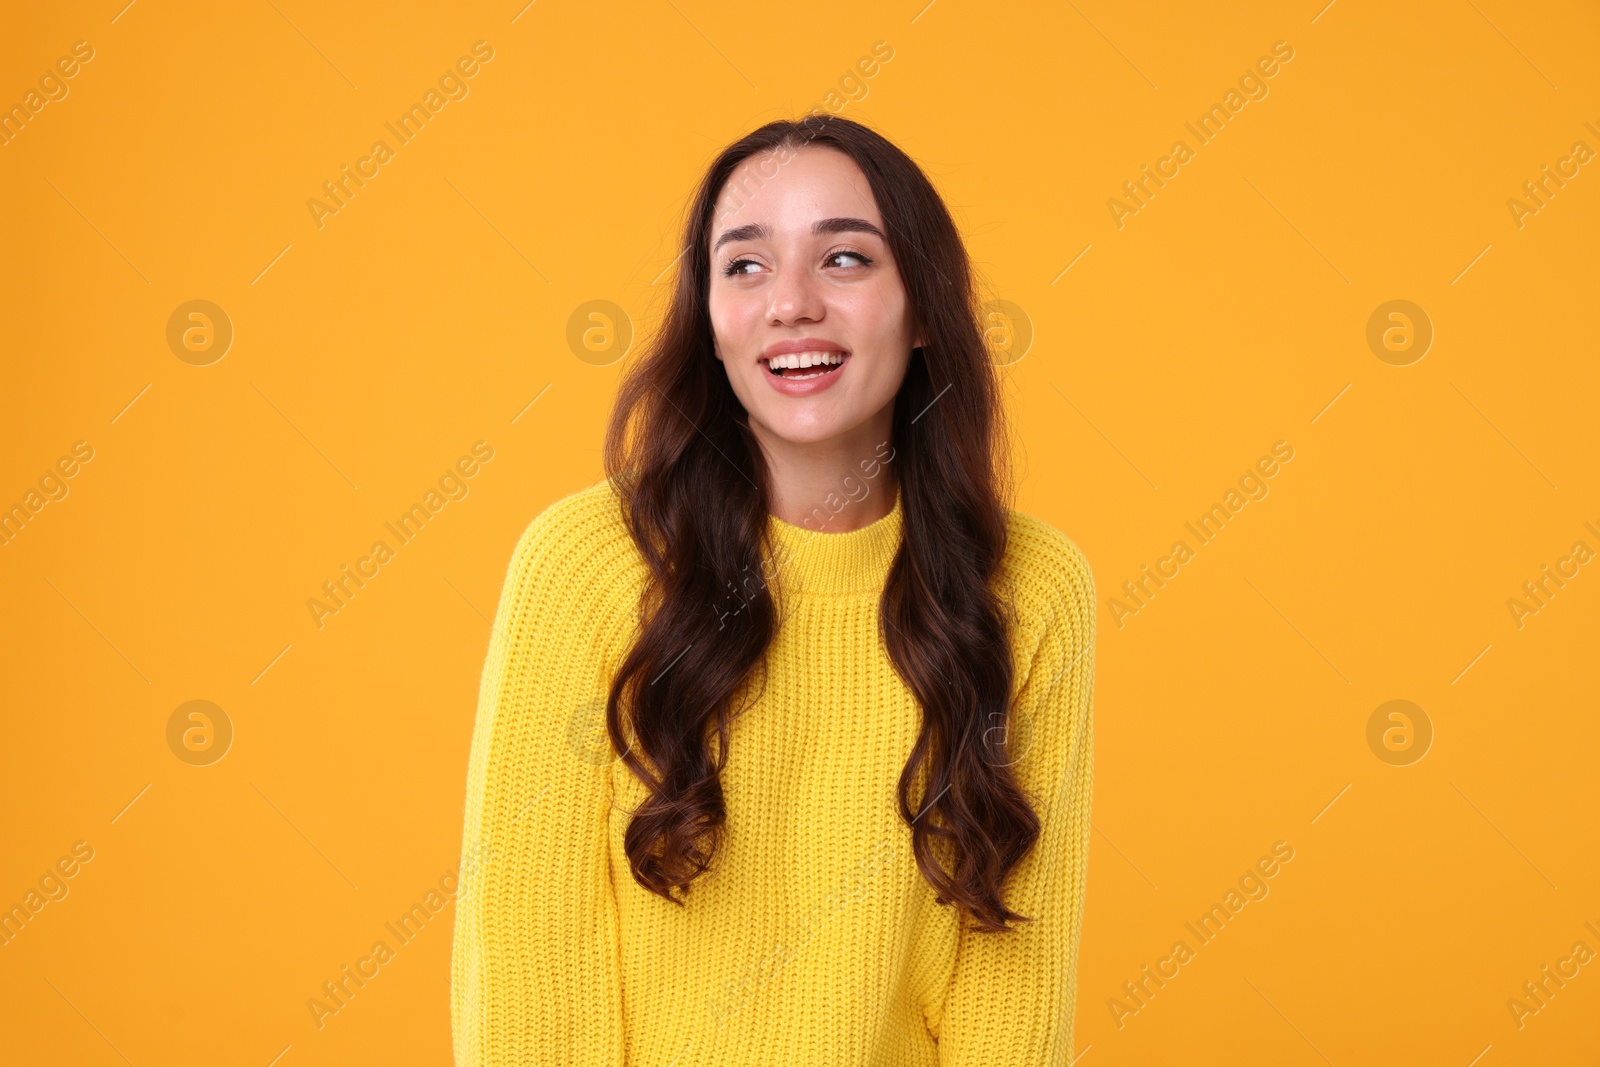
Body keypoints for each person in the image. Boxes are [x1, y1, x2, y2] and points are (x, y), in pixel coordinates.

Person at [451, 113, 1096, 1065]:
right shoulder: (586, 564)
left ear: (924, 310)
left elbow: (1015, 984)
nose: (790, 303)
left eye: (844, 259)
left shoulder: (1034, 590)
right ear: (709, 323)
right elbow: (529, 956)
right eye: (745, 266)